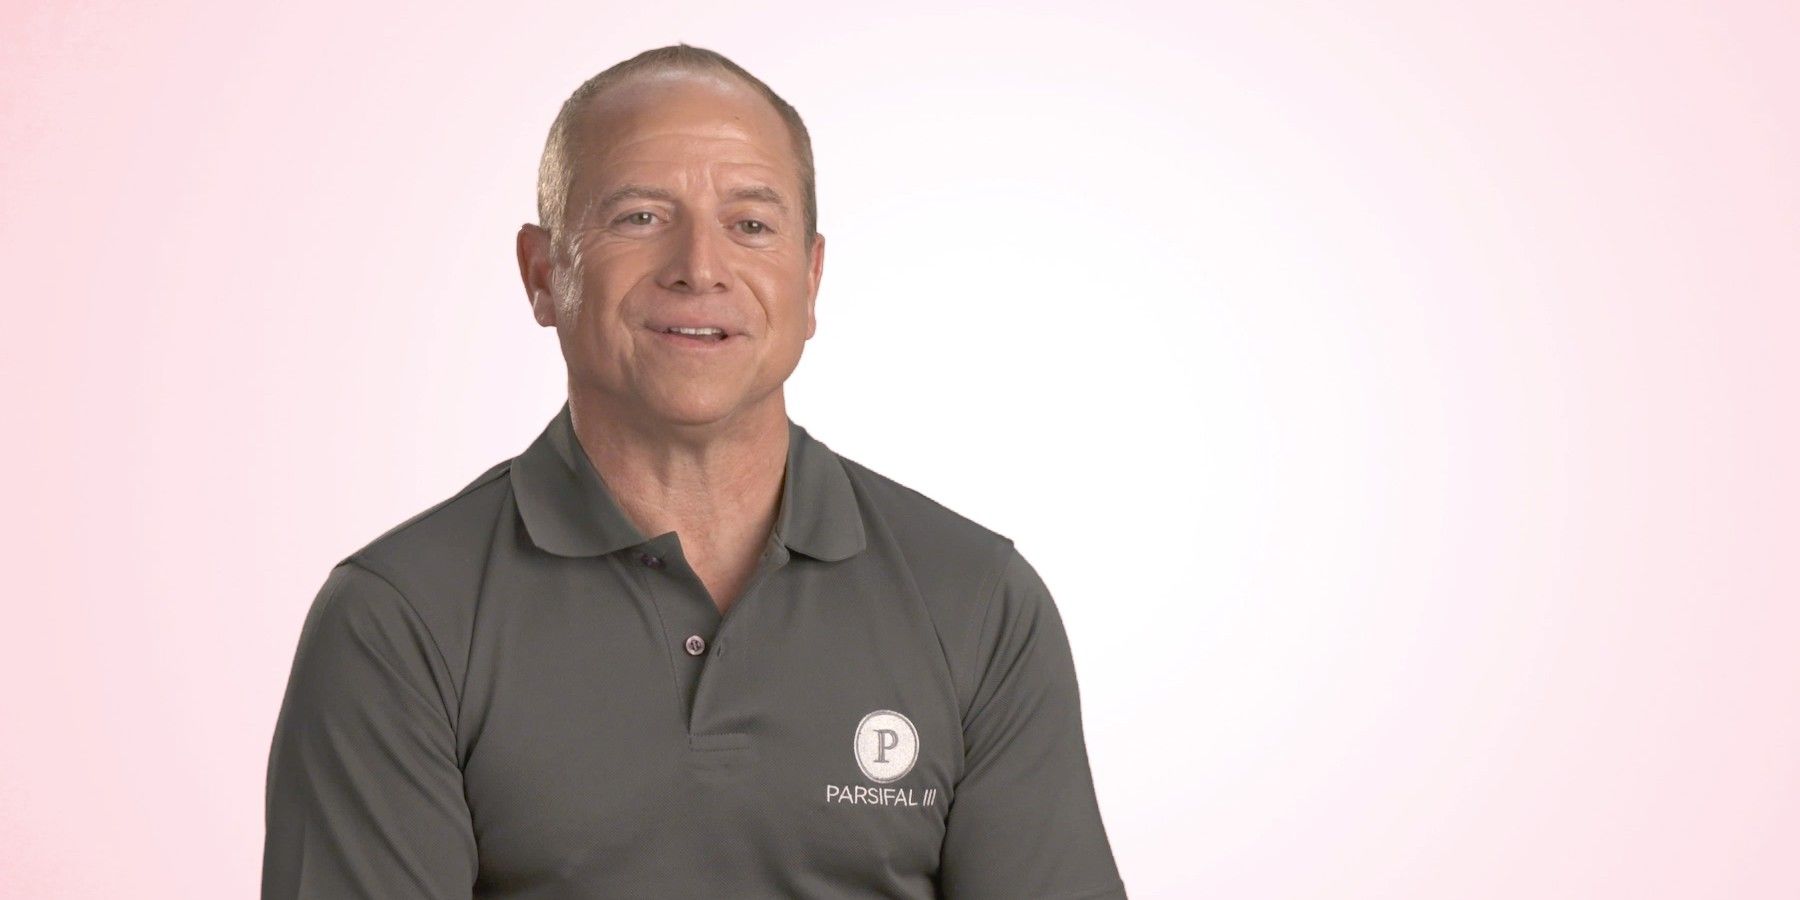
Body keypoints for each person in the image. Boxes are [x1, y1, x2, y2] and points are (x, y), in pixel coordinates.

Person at [261, 43, 1126, 899]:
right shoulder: (399, 619)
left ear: (811, 278)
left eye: (751, 225)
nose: (700, 268)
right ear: (541, 272)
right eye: (640, 217)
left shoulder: (977, 603)